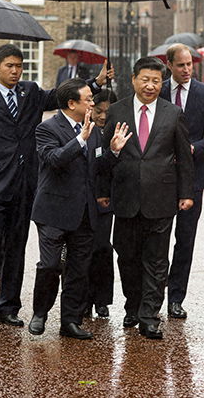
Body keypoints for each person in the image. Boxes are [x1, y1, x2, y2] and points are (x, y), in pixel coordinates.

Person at [0, 44, 59, 329]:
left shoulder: (30, 92)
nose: (16, 71)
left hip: (25, 183)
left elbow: (57, 97)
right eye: (10, 66)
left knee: (16, 247)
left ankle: (8, 307)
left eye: (19, 66)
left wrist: (96, 82)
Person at [97, 56, 194, 340]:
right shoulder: (116, 111)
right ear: (133, 80)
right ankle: (132, 305)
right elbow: (104, 154)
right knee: (126, 255)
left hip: (161, 197)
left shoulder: (172, 113)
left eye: (156, 81)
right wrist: (103, 191)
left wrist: (186, 193)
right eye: (145, 80)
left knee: (156, 259)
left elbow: (184, 158)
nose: (151, 86)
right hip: (125, 195)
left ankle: (150, 315)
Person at [27, 79, 131, 339]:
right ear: (71, 103)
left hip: (85, 212)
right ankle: (40, 312)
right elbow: (54, 160)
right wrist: (80, 139)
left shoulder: (94, 130)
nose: (93, 103)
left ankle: (70, 321)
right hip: (53, 210)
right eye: (88, 99)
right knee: (50, 265)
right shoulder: (46, 128)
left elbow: (97, 168)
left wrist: (113, 152)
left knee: (78, 269)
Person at [161, 44, 204, 320]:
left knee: (185, 241)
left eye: (190, 65)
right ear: (169, 65)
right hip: (159, 178)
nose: (187, 70)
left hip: (192, 178)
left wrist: (194, 148)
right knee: (157, 240)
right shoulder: (158, 90)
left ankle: (176, 298)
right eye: (181, 65)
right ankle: (152, 294)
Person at [86, 88, 118, 318]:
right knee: (78, 251)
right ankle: (80, 299)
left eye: (108, 111)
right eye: (99, 111)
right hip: (81, 198)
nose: (103, 116)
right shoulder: (84, 129)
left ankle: (102, 299)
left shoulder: (116, 131)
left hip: (105, 199)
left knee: (102, 248)